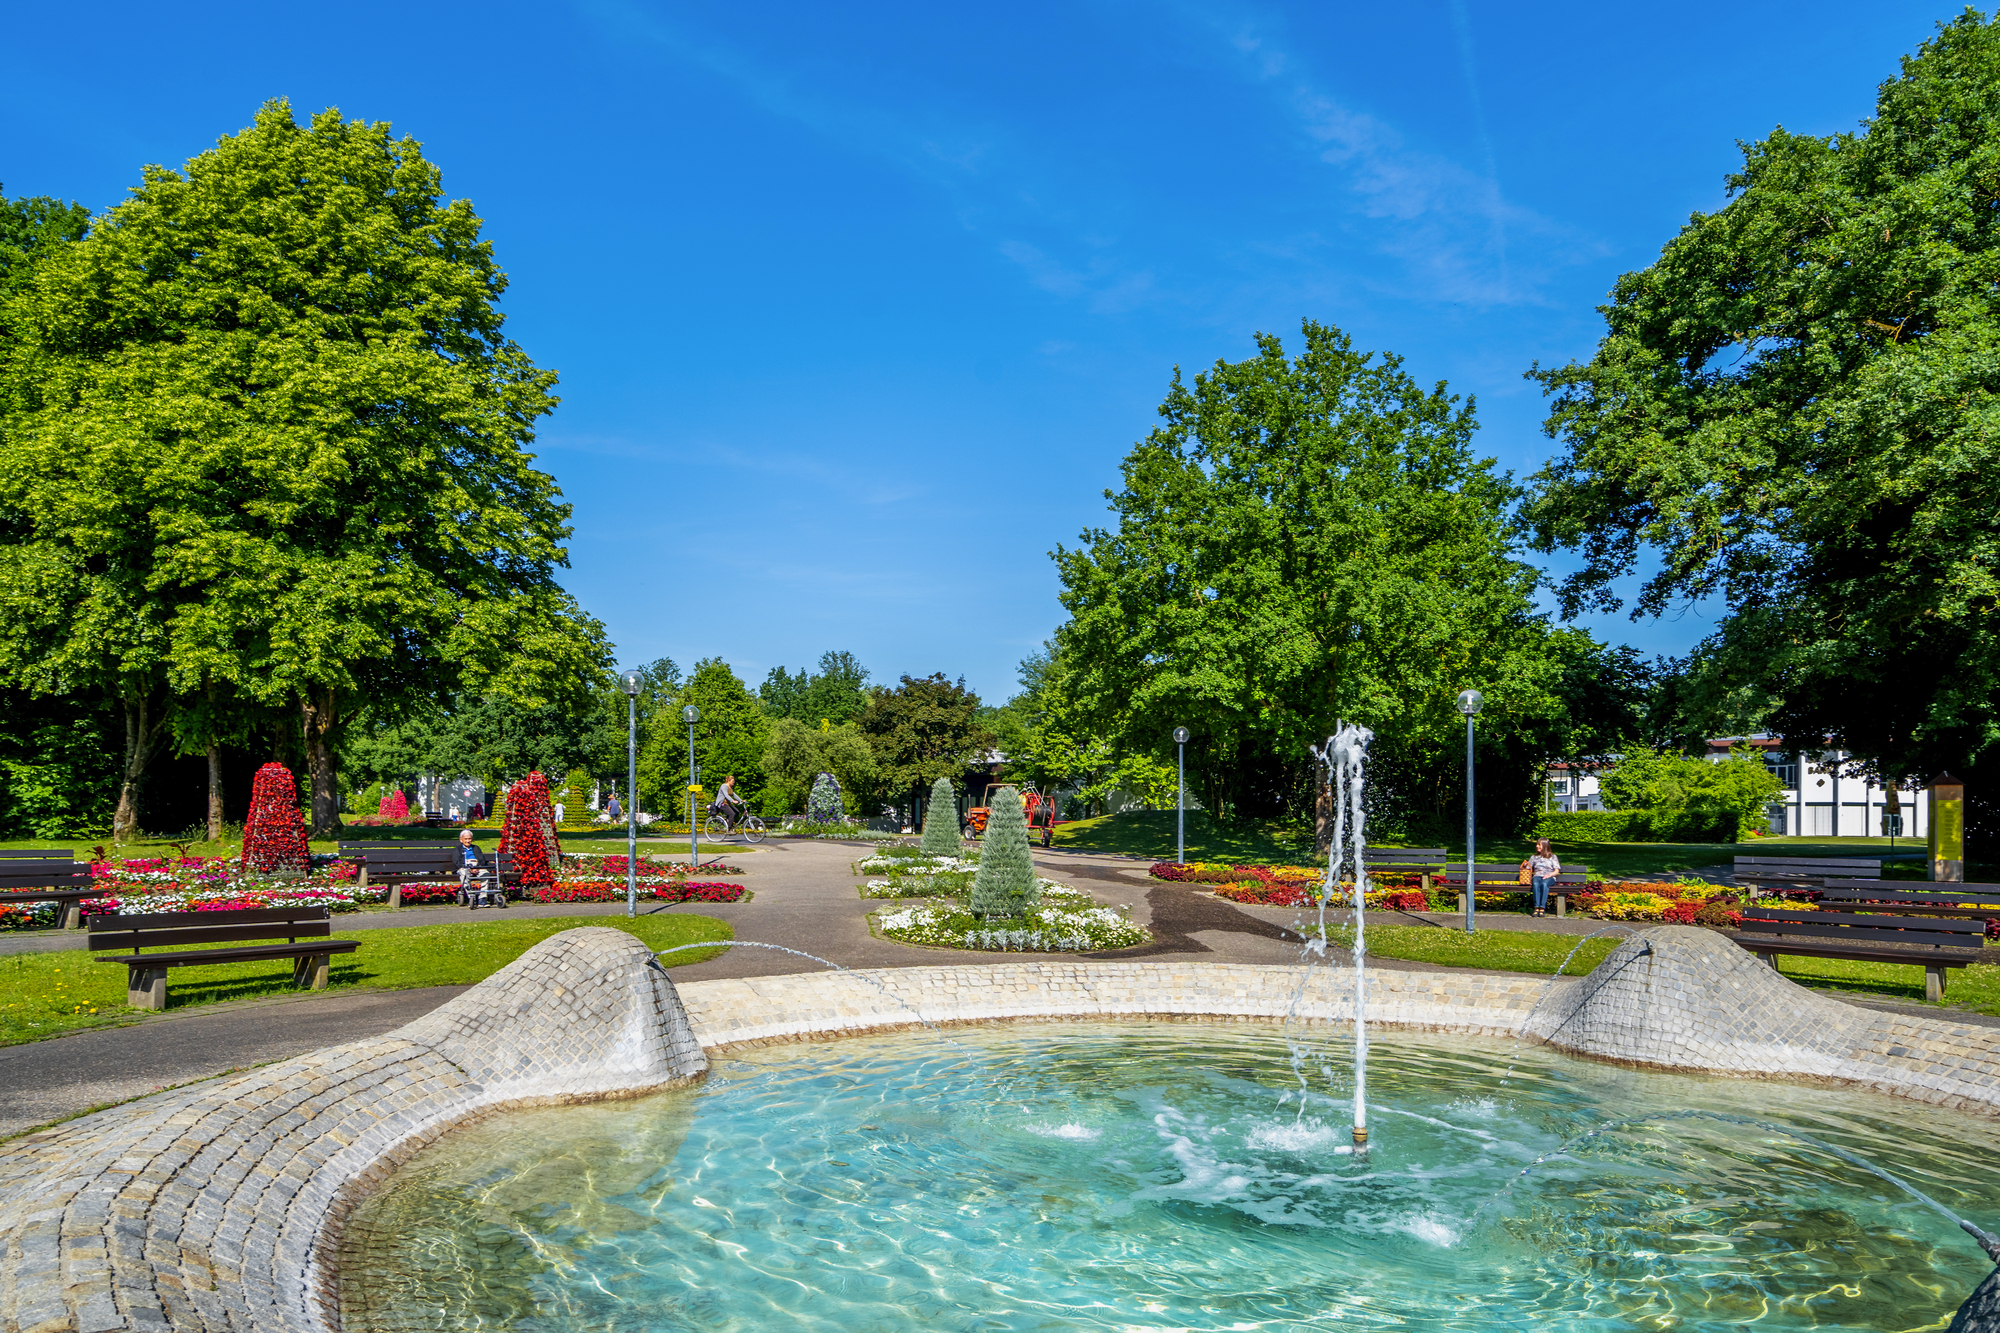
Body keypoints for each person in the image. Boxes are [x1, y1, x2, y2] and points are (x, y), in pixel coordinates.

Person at [1525, 838, 1561, 918]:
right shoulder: (1534, 857)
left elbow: (1556, 871)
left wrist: (1550, 875)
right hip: (1537, 876)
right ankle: (1536, 907)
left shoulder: (1552, 857)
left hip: (1549, 877)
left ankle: (1542, 907)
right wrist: (1526, 865)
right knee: (1535, 884)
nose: (1537, 846)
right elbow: (1528, 868)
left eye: (1539, 845)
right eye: (1537, 844)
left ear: (1544, 846)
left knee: (1544, 884)